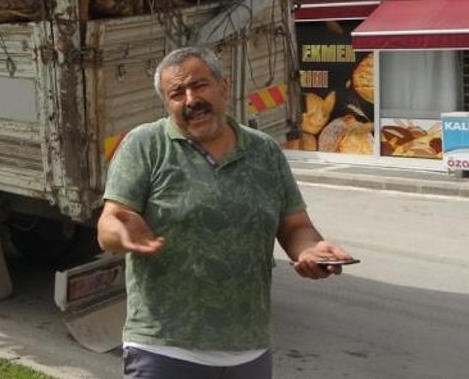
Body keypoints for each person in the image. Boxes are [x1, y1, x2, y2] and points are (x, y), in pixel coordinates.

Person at [98, 46, 354, 379]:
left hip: (249, 350)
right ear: (167, 103)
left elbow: (294, 226)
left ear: (224, 86)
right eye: (177, 93)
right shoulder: (146, 145)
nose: (191, 99)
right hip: (164, 348)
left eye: (199, 85)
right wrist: (120, 234)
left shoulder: (264, 151)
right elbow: (110, 221)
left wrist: (311, 249)